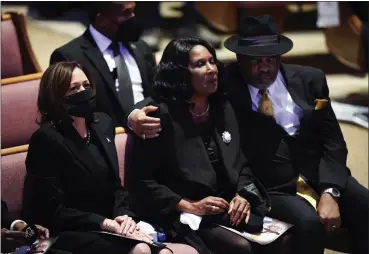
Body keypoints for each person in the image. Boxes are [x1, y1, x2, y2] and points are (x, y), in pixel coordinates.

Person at [126, 37, 291, 254]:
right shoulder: (157, 116)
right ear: (181, 73)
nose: (212, 69)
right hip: (183, 211)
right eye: (200, 64)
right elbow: (143, 182)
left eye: (212, 61)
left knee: (284, 239)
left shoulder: (222, 107)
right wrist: (190, 205)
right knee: (240, 248)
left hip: (225, 206)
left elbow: (241, 163)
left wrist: (243, 194)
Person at [222, 15, 369, 254]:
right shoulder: (225, 86)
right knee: (308, 223)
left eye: (271, 59)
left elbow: (332, 140)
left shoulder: (310, 80)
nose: (265, 68)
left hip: (317, 171)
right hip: (271, 184)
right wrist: (138, 115)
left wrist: (331, 192)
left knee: (365, 205)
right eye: (256, 61)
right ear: (239, 59)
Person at [20, 61, 198, 254]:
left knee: (164, 252)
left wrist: (124, 216)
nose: (83, 91)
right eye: (74, 88)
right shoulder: (46, 139)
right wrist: (104, 223)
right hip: (68, 230)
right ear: (57, 96)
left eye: (86, 86)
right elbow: (50, 210)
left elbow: (116, 188)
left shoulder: (101, 124)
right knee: (140, 250)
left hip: (110, 223)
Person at [50, 2, 156, 127]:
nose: (133, 17)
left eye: (133, 11)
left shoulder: (141, 48)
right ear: (102, 19)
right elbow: (68, 116)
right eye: (126, 13)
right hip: (103, 141)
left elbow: (156, 94)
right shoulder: (68, 57)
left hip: (150, 134)